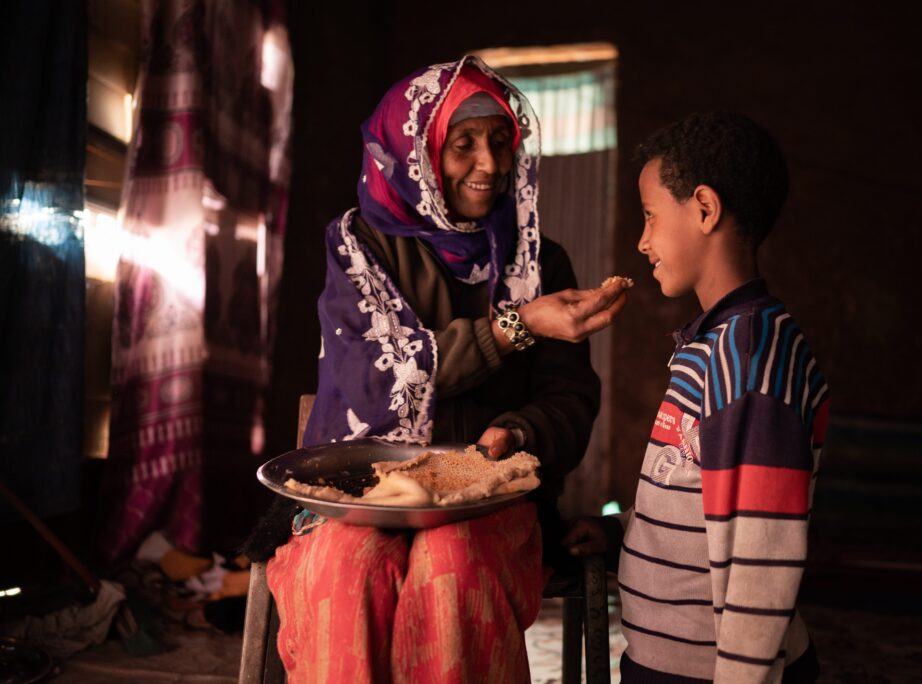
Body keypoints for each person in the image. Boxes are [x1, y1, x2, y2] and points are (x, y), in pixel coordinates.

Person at [258, 55, 630, 683]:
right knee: (348, 566)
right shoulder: (359, 248)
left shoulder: (540, 261)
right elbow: (384, 380)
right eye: (463, 144)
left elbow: (569, 397)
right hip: (361, 499)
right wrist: (520, 325)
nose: (491, 163)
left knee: (453, 561)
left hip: (489, 501)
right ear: (417, 152)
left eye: (500, 140)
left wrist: (517, 435)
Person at [563, 112, 829, 683]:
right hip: (667, 662)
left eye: (651, 217)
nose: (641, 240)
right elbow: (700, 491)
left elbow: (761, 560)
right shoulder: (717, 342)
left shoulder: (752, 358)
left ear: (705, 209)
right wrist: (624, 535)